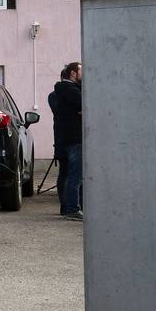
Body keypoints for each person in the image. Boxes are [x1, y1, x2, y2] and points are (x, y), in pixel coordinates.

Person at [53, 61, 83, 221]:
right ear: (73, 73)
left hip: (64, 138)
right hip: (74, 138)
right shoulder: (71, 90)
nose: (84, 74)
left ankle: (66, 207)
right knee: (75, 176)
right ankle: (72, 209)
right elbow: (86, 108)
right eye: (81, 71)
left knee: (66, 174)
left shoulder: (61, 91)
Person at [47, 66, 71, 215]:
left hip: (68, 137)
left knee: (70, 172)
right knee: (65, 172)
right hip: (63, 138)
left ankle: (71, 204)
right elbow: (60, 112)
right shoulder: (54, 96)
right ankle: (64, 204)